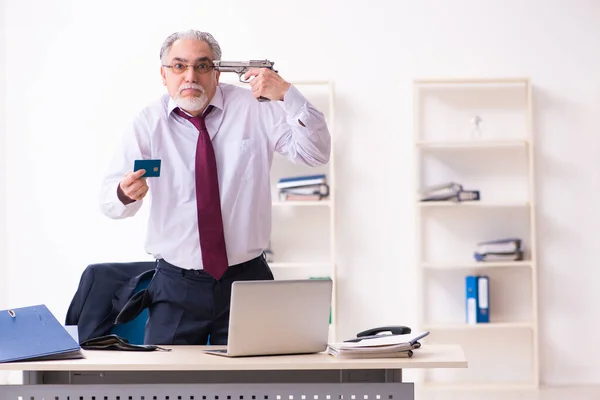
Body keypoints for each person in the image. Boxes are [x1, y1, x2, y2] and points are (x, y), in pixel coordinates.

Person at [99, 29, 331, 346]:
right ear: (163, 74)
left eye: (202, 66)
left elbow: (316, 153)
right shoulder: (148, 123)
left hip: (247, 281)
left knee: (254, 387)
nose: (190, 76)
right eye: (179, 66)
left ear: (217, 72)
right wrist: (125, 192)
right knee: (170, 390)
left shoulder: (255, 108)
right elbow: (110, 202)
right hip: (175, 286)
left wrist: (287, 94)